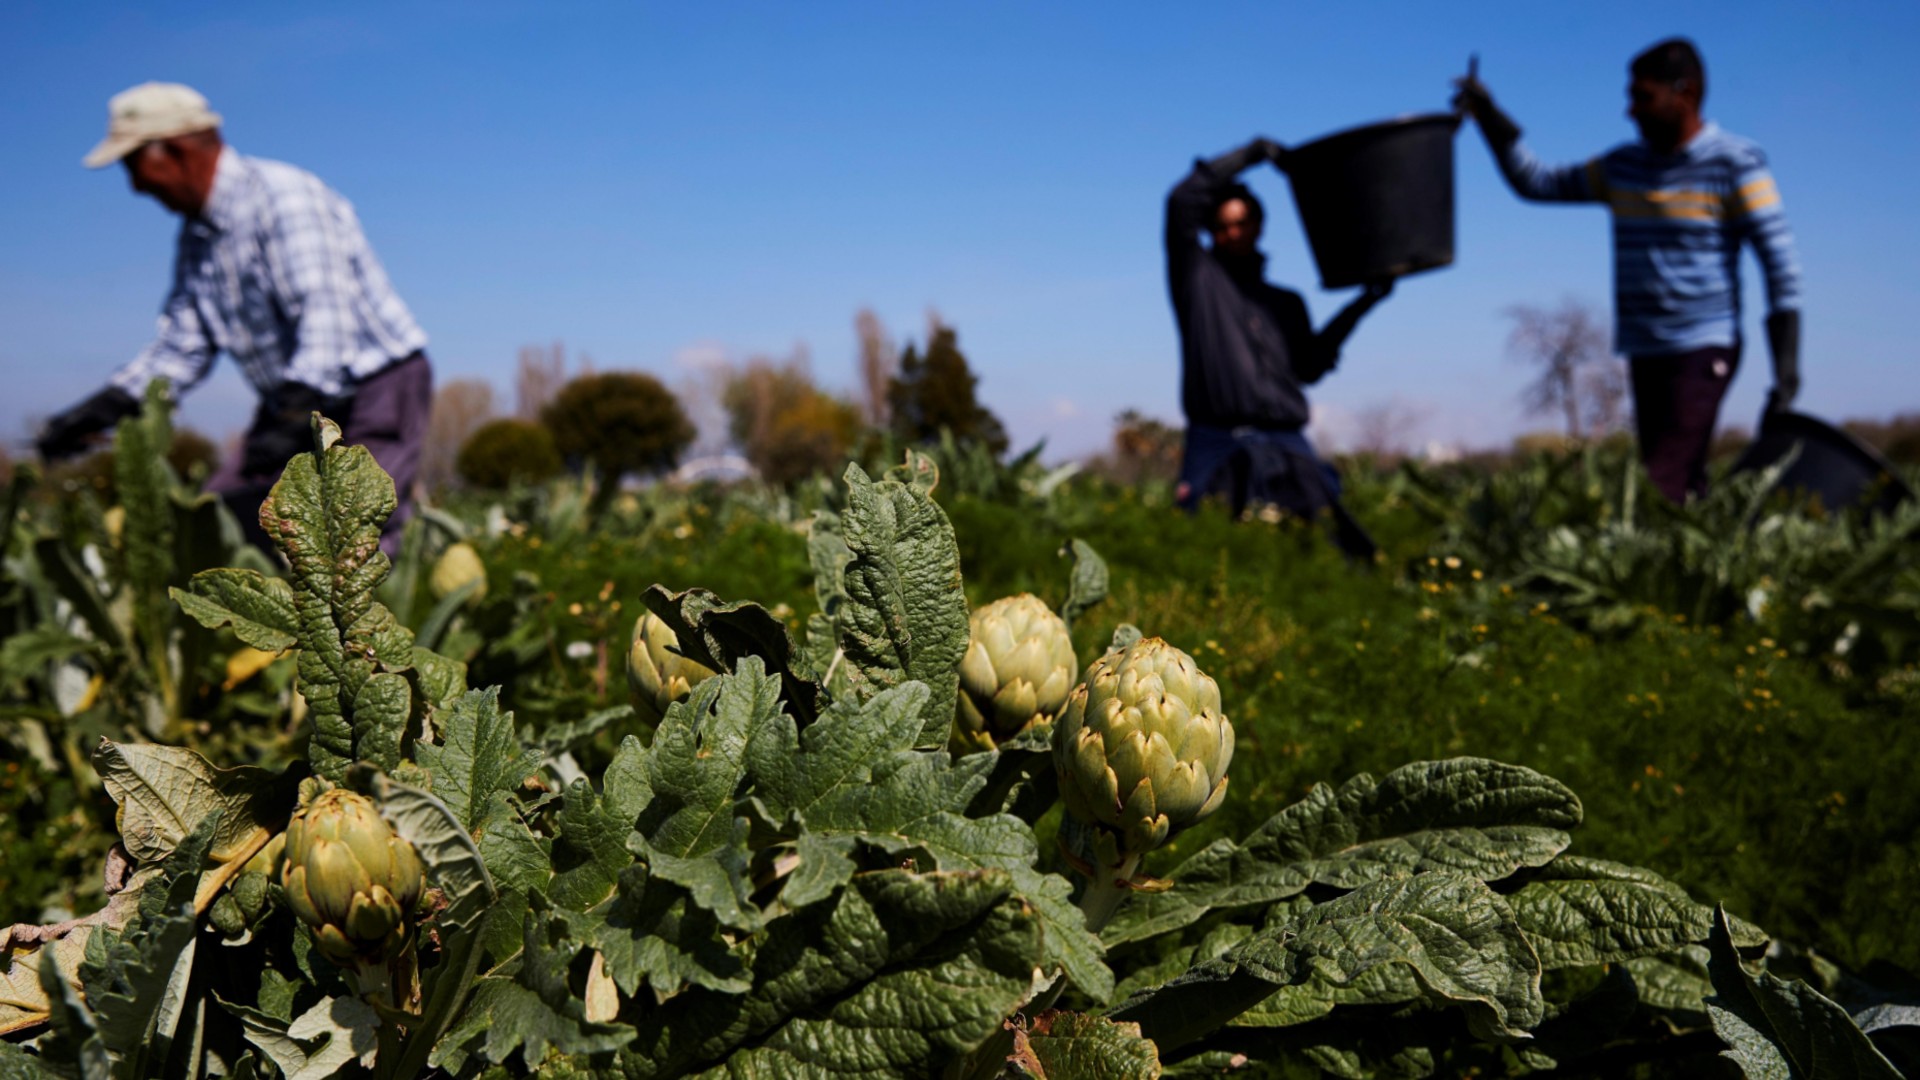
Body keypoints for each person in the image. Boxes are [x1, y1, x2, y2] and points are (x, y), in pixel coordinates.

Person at [36, 82, 433, 554]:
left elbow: (324, 318)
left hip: (374, 388)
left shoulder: (283, 198)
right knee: (213, 523)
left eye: (133, 164)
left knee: (355, 533)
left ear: (175, 151)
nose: (136, 185)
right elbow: (182, 346)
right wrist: (112, 402)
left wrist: (291, 416)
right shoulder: (198, 239)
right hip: (293, 400)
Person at [1455, 39, 1802, 502]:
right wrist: (1490, 118)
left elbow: (1780, 264)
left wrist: (1785, 373)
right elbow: (1537, 182)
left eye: (1643, 97)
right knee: (1679, 478)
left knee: (1661, 483)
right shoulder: (1624, 167)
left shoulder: (1734, 164)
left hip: (1703, 344)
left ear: (1686, 94)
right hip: (1644, 347)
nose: (1630, 111)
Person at [1165, 137, 1391, 546]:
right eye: (1222, 226)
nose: (1233, 233)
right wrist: (1251, 155)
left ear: (1258, 225)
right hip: (1217, 440)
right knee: (1202, 544)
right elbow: (1181, 202)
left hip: (1285, 440)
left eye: (1241, 223)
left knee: (1328, 542)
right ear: (1211, 231)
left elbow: (1310, 366)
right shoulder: (1198, 281)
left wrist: (1362, 303)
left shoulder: (1286, 303)